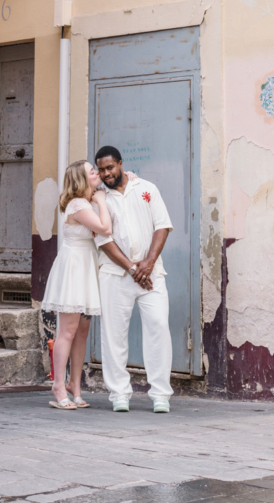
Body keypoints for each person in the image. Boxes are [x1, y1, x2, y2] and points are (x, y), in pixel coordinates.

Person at [94, 144, 174, 414]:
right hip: (116, 274)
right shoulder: (98, 198)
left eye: (110, 167)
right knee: (114, 333)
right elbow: (104, 240)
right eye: (101, 170)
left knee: (158, 326)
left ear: (120, 164)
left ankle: (161, 394)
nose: (106, 174)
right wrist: (132, 269)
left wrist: (148, 264)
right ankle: (119, 393)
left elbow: (162, 225)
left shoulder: (146, 188)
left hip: (152, 275)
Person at [40, 159, 112, 410]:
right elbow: (104, 229)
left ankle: (75, 386)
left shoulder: (87, 201)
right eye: (93, 172)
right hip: (74, 269)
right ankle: (58, 384)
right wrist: (101, 201)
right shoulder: (78, 204)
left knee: (82, 332)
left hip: (86, 267)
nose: (98, 173)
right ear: (81, 180)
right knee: (67, 331)